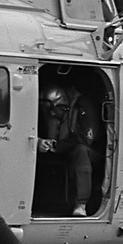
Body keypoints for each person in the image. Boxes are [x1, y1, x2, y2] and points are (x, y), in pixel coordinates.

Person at [38, 83, 96, 217]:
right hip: (60, 147)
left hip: (88, 151)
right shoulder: (50, 114)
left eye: (54, 110)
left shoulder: (83, 105)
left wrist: (56, 146)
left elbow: (86, 139)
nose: (52, 113)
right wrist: (41, 142)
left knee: (81, 151)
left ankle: (81, 204)